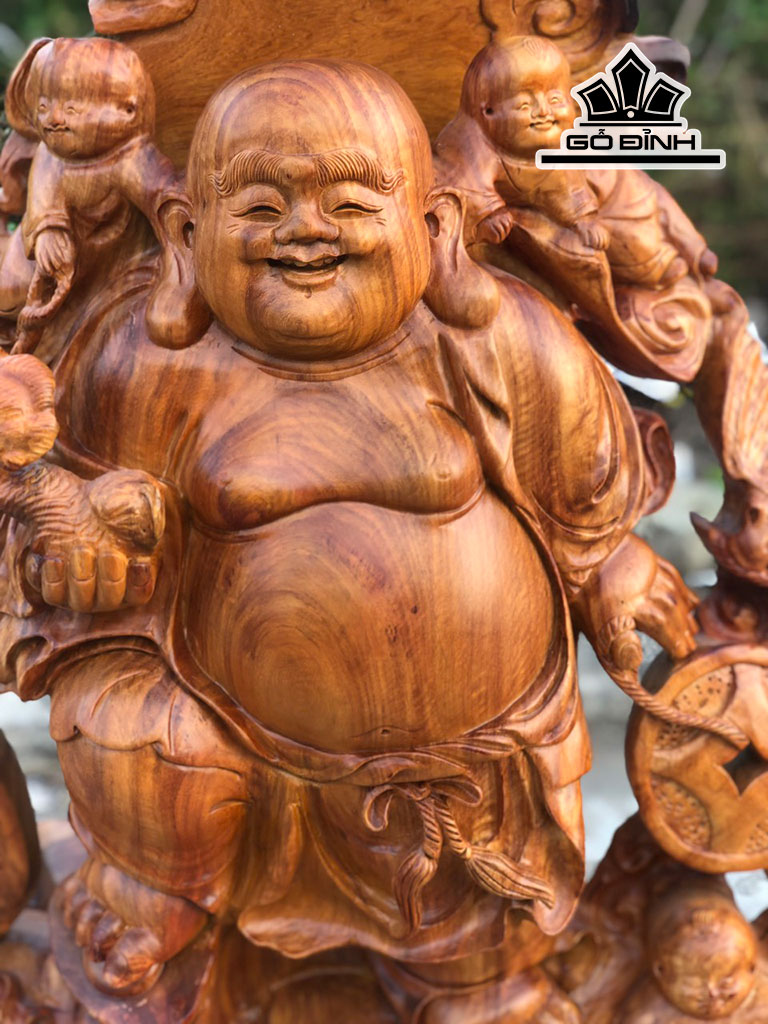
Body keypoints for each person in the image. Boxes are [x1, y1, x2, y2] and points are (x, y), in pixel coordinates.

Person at [0, 59, 695, 1020]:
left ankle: (468, 977)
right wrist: (77, 537)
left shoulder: (492, 337)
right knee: (134, 735)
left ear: (434, 225)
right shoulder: (150, 361)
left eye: (353, 203)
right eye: (261, 206)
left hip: (471, 748)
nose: (306, 230)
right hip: (223, 721)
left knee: (479, 940)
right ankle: (157, 891)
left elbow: (579, 469)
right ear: (185, 232)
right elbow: (54, 489)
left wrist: (609, 561)